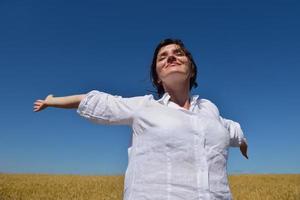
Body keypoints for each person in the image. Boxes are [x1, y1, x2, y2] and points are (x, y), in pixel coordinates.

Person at [33, 38, 248, 200]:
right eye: (163, 56)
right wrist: (51, 101)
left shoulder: (209, 109)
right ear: (156, 76)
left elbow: (230, 129)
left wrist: (242, 142)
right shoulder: (144, 107)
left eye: (178, 53)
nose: (171, 57)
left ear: (191, 69)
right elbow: (95, 100)